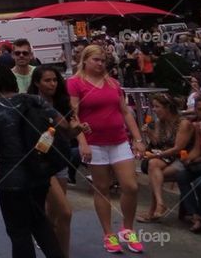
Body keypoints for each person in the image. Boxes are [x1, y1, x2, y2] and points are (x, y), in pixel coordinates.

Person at [0, 64, 65, 258]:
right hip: (38, 175)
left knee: (19, 233)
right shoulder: (35, 100)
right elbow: (64, 125)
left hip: (11, 181)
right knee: (41, 225)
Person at [68, 44, 145, 254]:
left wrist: (137, 138)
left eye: (103, 60)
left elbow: (126, 112)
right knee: (102, 188)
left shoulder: (113, 83)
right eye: (96, 60)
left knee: (130, 185)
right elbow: (74, 116)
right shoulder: (75, 83)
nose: (101, 64)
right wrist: (82, 142)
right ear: (85, 61)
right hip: (94, 142)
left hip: (119, 140)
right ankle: (108, 233)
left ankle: (127, 229)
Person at [28, 66, 75, 258]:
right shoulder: (30, 104)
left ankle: (57, 247)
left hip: (60, 159)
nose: (52, 84)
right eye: (47, 80)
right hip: (42, 163)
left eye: (55, 80)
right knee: (65, 212)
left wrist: (79, 132)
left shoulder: (62, 102)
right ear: (37, 83)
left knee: (55, 213)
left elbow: (70, 130)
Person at [137, 93, 194, 223]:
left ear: (167, 107)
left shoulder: (183, 123)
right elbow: (157, 143)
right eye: (154, 107)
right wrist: (149, 132)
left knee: (154, 172)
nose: (154, 110)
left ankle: (154, 210)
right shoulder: (159, 122)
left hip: (182, 158)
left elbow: (178, 148)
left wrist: (156, 155)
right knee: (153, 167)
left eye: (157, 107)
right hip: (166, 157)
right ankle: (160, 205)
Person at [174, 95, 201, 233]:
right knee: (182, 175)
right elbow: (197, 150)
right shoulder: (199, 126)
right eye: (200, 109)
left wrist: (196, 160)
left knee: (200, 182)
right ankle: (194, 214)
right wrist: (188, 159)